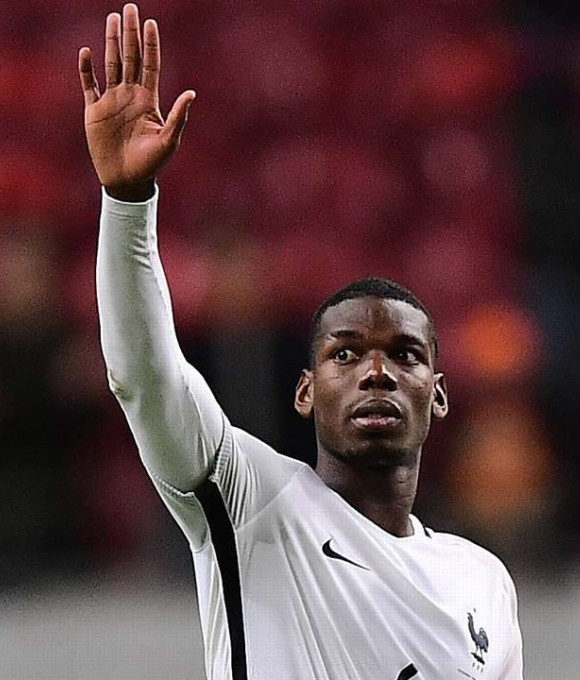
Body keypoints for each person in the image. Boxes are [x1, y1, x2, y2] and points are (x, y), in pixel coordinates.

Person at [78, 5, 523, 679]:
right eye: (345, 353)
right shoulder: (255, 504)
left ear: (438, 395)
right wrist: (127, 202)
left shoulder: (483, 580)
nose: (377, 372)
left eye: (405, 354)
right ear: (305, 391)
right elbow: (145, 379)